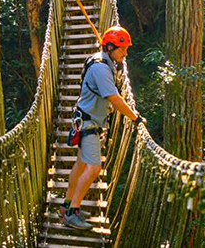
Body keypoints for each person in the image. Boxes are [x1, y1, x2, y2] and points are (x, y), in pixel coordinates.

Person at [61, 25, 146, 230]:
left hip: (85, 119)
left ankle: (66, 205)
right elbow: (114, 98)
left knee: (81, 165)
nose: (125, 54)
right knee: (94, 168)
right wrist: (135, 118)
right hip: (89, 123)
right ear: (109, 47)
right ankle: (72, 213)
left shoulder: (102, 61)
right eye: (122, 49)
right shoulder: (101, 67)